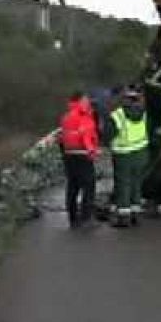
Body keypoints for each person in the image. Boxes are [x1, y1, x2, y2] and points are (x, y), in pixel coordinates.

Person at [104, 87, 150, 227]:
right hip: (141, 153)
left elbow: (108, 135)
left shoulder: (118, 115)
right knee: (136, 183)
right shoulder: (143, 113)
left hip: (124, 155)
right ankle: (136, 214)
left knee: (123, 184)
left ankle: (124, 217)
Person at [57, 91, 100, 227]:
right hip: (82, 154)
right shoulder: (83, 116)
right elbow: (86, 135)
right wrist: (92, 151)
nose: (88, 102)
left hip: (69, 154)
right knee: (88, 186)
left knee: (72, 186)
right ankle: (87, 218)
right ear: (79, 101)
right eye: (86, 100)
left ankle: (73, 217)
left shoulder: (66, 117)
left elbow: (62, 137)